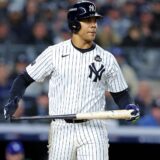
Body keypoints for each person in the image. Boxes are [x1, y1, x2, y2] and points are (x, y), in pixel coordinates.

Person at [1, 1, 140, 160]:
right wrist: (13, 100)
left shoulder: (107, 58)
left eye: (95, 20)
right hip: (61, 128)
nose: (93, 25)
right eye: (87, 20)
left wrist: (129, 106)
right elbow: (23, 78)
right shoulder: (54, 53)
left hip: (92, 129)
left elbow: (121, 93)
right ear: (74, 24)